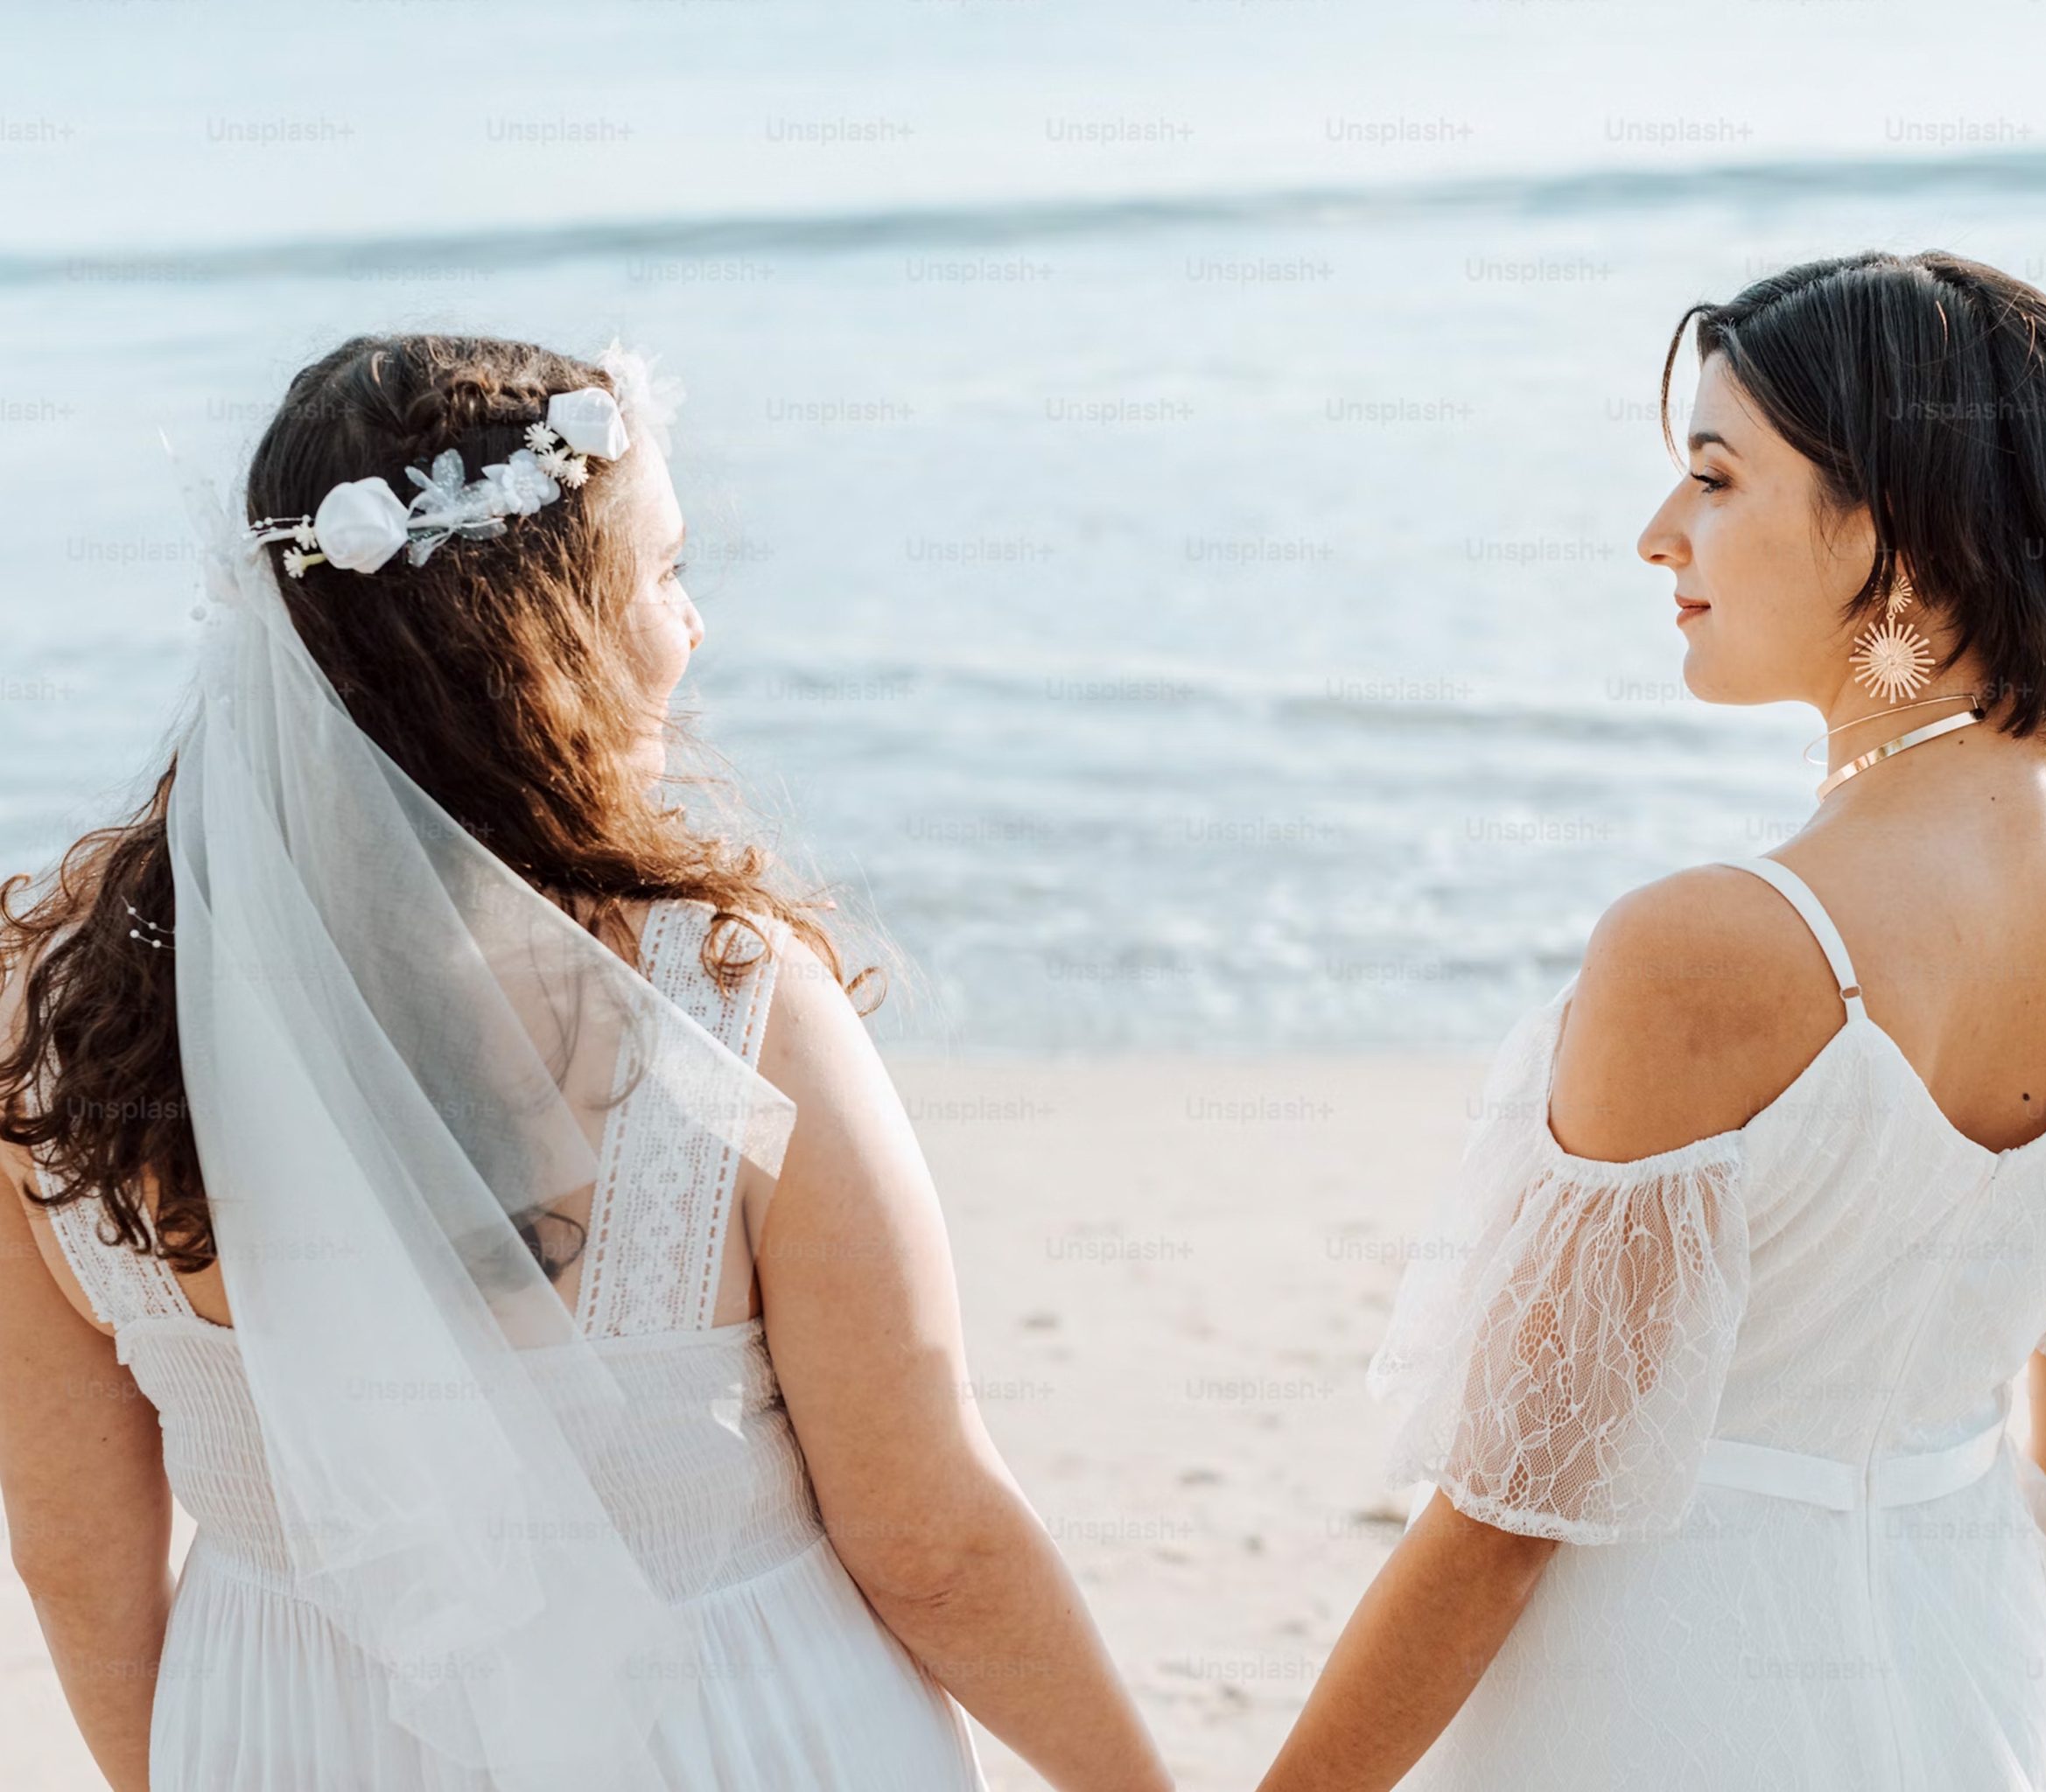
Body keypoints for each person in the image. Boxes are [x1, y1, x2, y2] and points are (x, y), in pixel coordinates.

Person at [0, 334, 1172, 1792]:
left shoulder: (55, 1018)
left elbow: (71, 1556)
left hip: (273, 1732)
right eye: (666, 574)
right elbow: (927, 1541)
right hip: (726, 1727)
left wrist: (190, 1763)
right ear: (546, 639)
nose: (695, 628)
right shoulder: (728, 1008)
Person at [1258, 252, 2046, 1789]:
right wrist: (1999, 1709)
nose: (1660, 537)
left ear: (1895, 538)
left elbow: (1515, 1511)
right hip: (1979, 1673)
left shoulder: (1706, 949)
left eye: (1714, 480)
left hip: (1661, 1696)